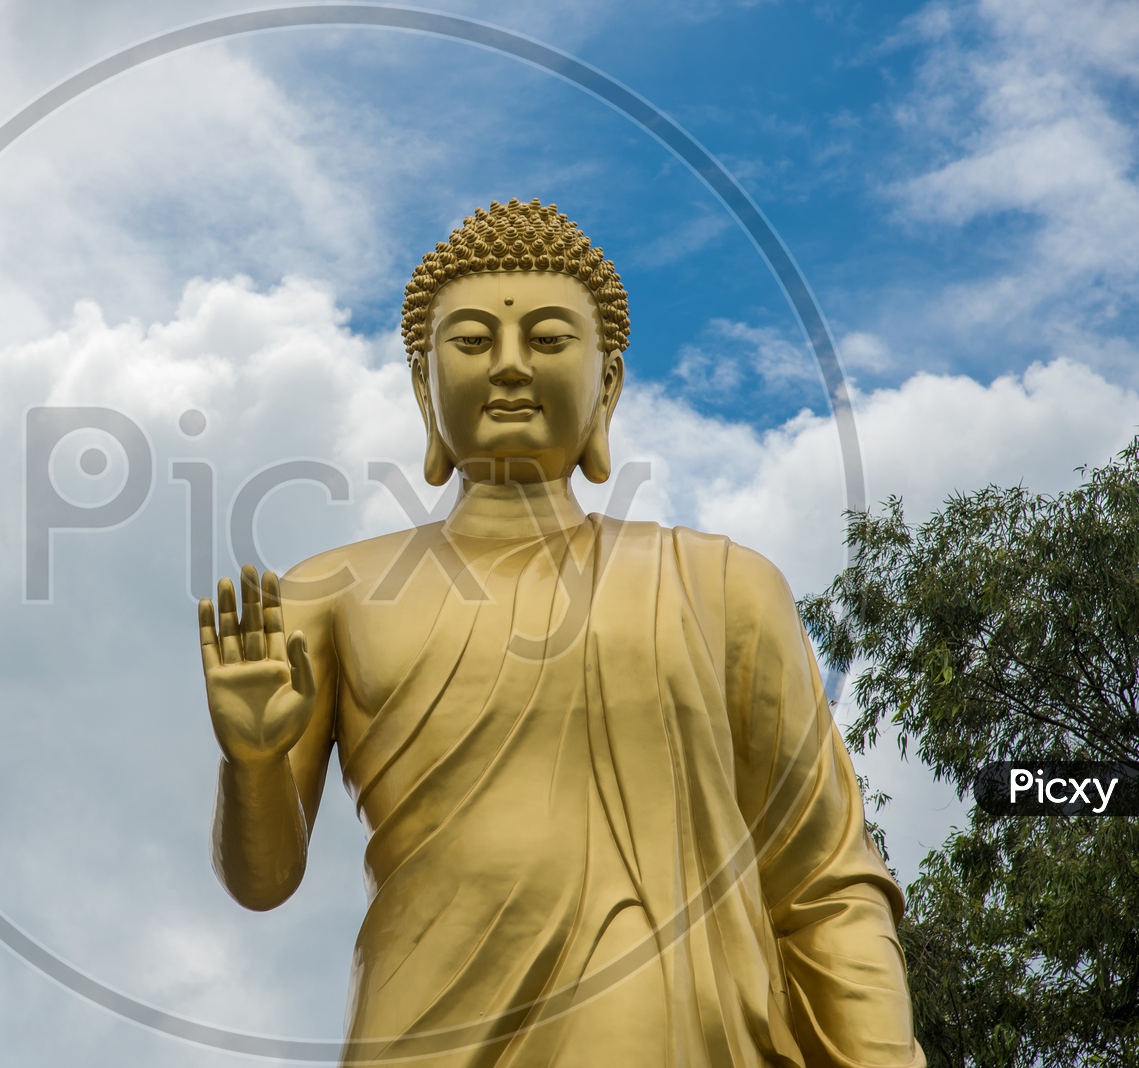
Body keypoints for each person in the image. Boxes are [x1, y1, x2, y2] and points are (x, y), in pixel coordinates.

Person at [196, 198, 923, 1067]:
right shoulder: (331, 591)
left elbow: (825, 885)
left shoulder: (720, 586)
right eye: (470, 342)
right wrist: (252, 767)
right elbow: (264, 881)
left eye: (547, 340)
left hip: (657, 1019)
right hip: (421, 1022)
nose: (508, 367)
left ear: (607, 384)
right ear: (424, 388)